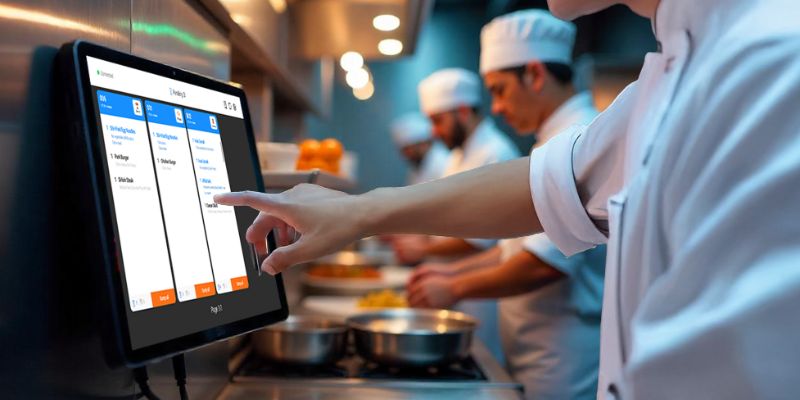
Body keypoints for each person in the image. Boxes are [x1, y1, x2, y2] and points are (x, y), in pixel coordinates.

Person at [216, 0, 800, 398]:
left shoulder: (767, 58)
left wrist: (393, 234)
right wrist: (358, 212)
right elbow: (542, 187)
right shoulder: (669, 74)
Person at [407, 10, 604, 400]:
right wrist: (449, 276)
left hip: (563, 358)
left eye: (498, 90)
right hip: (534, 347)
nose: (494, 107)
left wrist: (456, 285)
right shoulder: (549, 141)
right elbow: (515, 247)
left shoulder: (579, 140)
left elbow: (544, 263)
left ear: (534, 75)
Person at [393, 68, 520, 265]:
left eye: (438, 121)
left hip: (479, 287)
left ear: (462, 111)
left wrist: (423, 249)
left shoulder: (496, 153)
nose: (433, 132)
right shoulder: (457, 156)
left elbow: (481, 238)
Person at [390, 113, 450, 186]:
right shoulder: (414, 171)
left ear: (423, 142)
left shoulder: (443, 163)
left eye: (409, 148)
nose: (407, 154)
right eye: (403, 150)